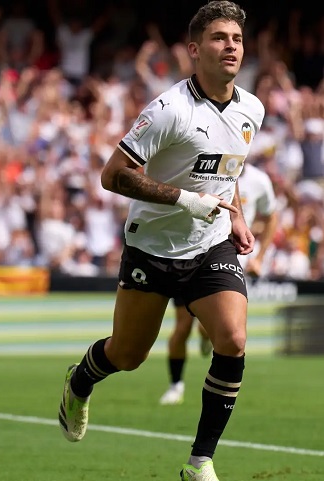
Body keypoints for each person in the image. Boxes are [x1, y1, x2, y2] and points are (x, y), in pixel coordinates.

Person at [57, 2, 264, 480]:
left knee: (232, 339)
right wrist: (186, 199)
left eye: (236, 38)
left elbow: (227, 168)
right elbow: (112, 175)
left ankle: (200, 462)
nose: (230, 46)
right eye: (218, 37)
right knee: (127, 355)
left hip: (211, 244)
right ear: (194, 49)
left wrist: (236, 216)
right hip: (152, 248)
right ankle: (80, 380)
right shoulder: (169, 109)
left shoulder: (252, 108)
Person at [160, 161, 277, 405]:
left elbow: (271, 216)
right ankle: (175, 385)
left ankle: (205, 338)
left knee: (215, 329)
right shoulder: (208, 165)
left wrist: (260, 258)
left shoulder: (259, 180)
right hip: (190, 253)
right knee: (182, 327)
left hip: (228, 258)